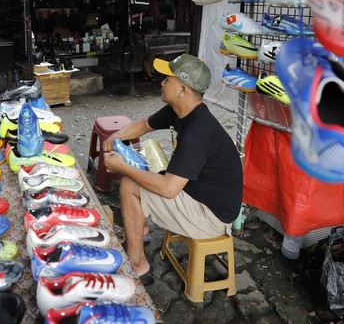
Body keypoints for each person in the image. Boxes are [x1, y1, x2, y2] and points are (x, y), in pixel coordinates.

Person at [102, 53, 243, 284]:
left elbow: (168, 189)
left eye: (167, 79)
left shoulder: (198, 132)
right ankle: (138, 229)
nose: (161, 82)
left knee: (129, 184)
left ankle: (137, 264)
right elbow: (144, 124)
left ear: (183, 90)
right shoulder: (180, 111)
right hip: (197, 194)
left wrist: (122, 167)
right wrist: (116, 135)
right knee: (141, 169)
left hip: (211, 217)